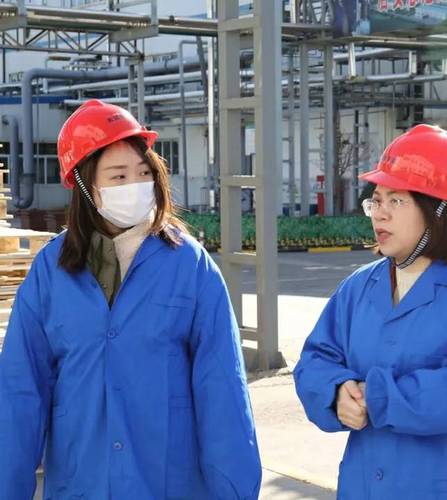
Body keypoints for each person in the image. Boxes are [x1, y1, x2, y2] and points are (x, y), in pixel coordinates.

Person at [0, 100, 262, 499]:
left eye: (143, 173)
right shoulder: (50, 272)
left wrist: (235, 492)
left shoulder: (189, 265)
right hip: (81, 483)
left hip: (167, 484)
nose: (135, 186)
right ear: (85, 184)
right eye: (118, 176)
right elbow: (21, 391)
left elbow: (223, 388)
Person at [294, 124, 447, 499]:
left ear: (438, 210)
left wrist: (381, 398)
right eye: (376, 201)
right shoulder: (358, 288)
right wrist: (334, 391)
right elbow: (315, 360)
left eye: (396, 201)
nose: (379, 215)